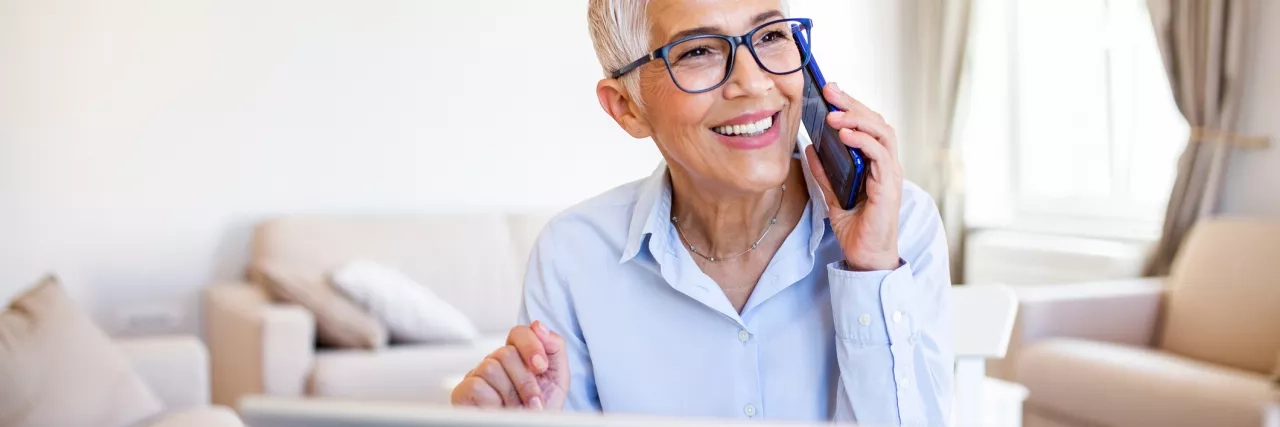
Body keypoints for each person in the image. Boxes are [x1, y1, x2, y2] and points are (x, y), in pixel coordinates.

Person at [451, 0, 953, 425]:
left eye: (772, 36)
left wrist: (873, 270)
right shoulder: (573, 256)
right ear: (627, 107)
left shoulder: (899, 222)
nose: (754, 83)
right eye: (697, 51)